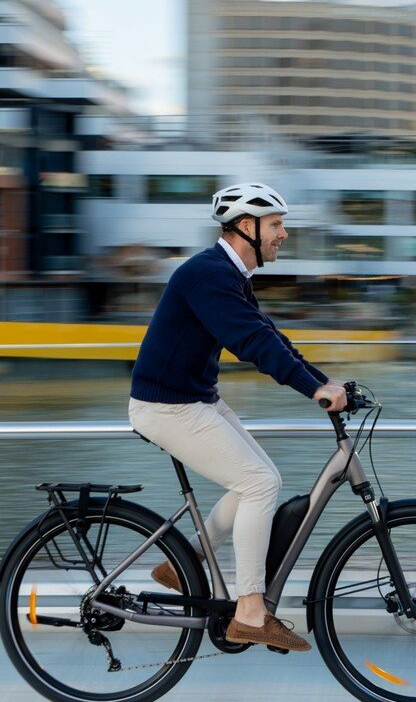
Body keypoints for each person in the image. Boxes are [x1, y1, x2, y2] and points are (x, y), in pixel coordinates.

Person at [128, 182, 347, 653]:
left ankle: (182, 561)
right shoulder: (208, 275)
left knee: (262, 477)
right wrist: (313, 388)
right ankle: (249, 612)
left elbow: (269, 334)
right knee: (258, 486)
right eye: (277, 225)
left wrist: (326, 381)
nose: (283, 235)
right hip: (167, 406)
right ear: (246, 228)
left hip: (192, 398)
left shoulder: (228, 275)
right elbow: (253, 345)